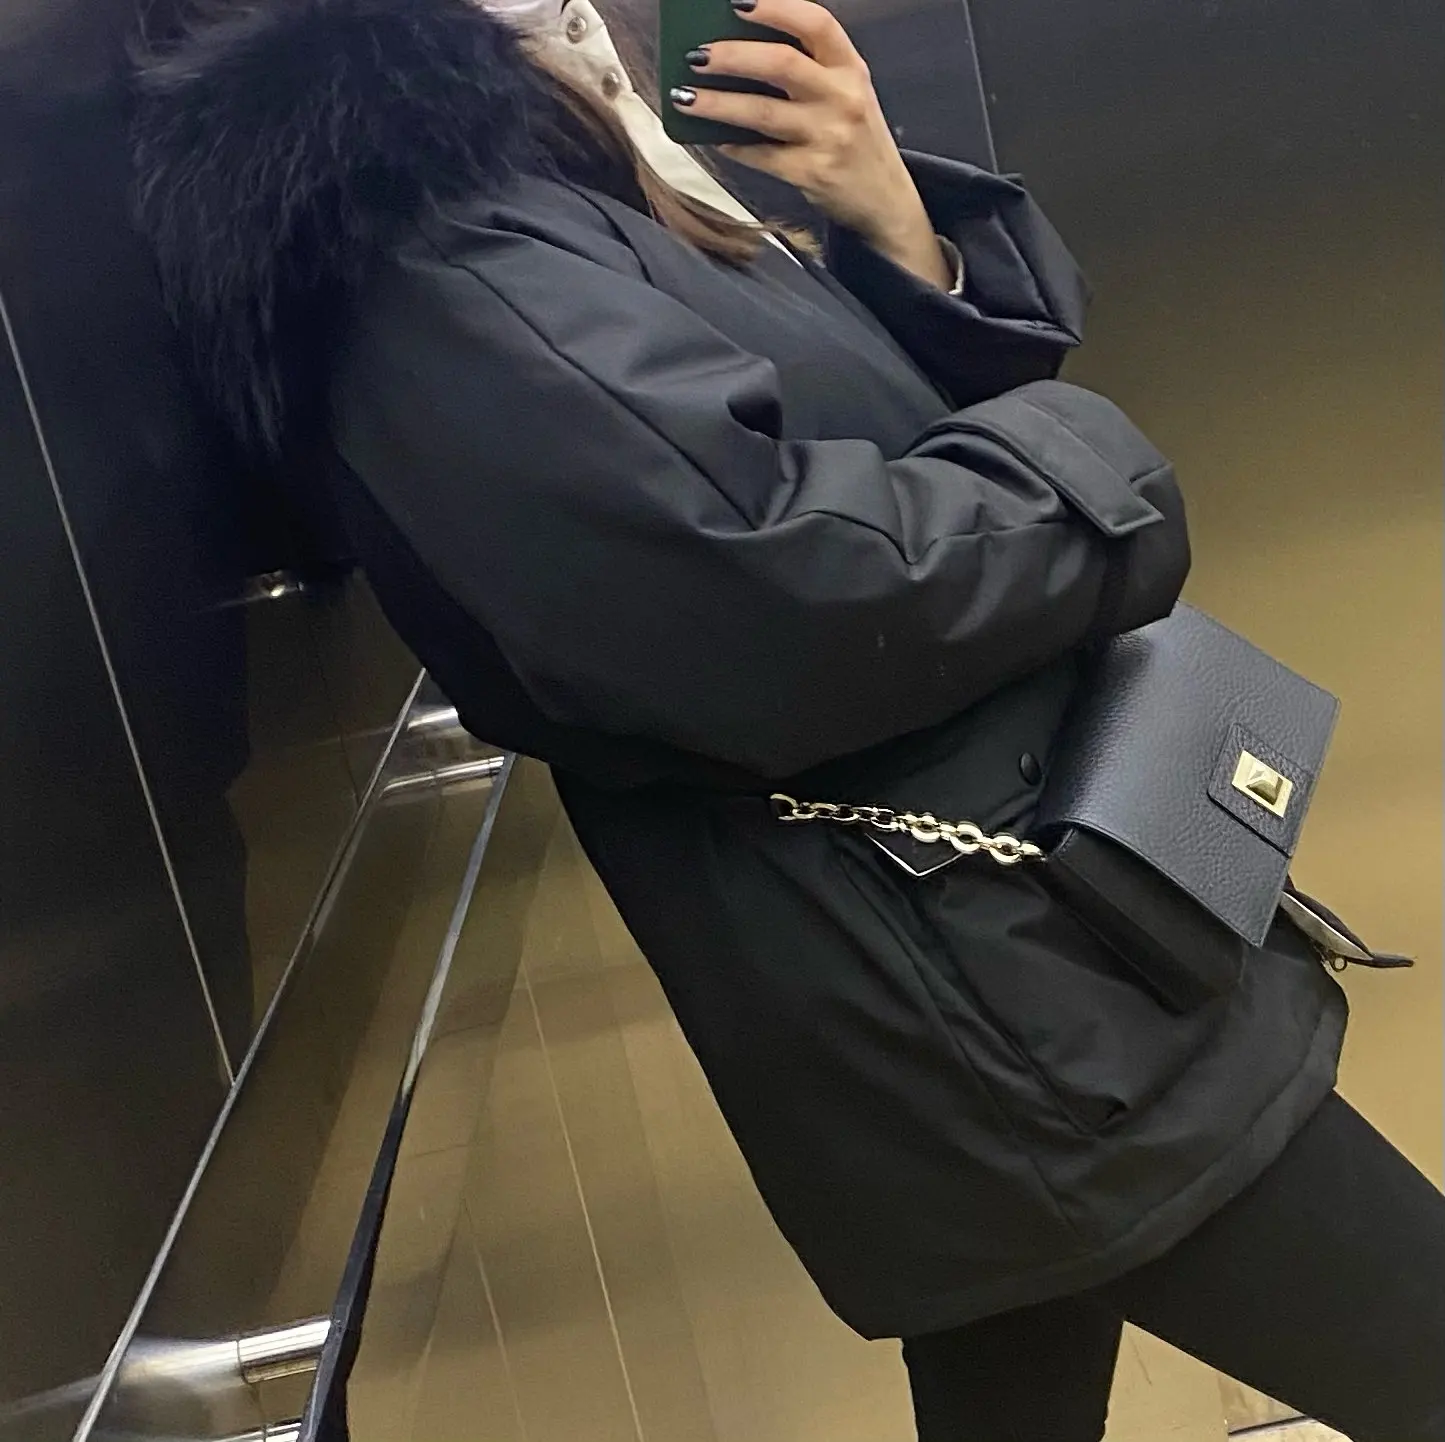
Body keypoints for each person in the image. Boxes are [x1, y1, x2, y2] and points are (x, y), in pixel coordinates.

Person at [129, 0, 1445, 1435]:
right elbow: (762, 597)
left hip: (994, 942)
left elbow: (864, 442)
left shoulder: (553, 143)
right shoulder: (426, 246)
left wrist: (891, 223)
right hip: (986, 994)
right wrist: (1095, 468)